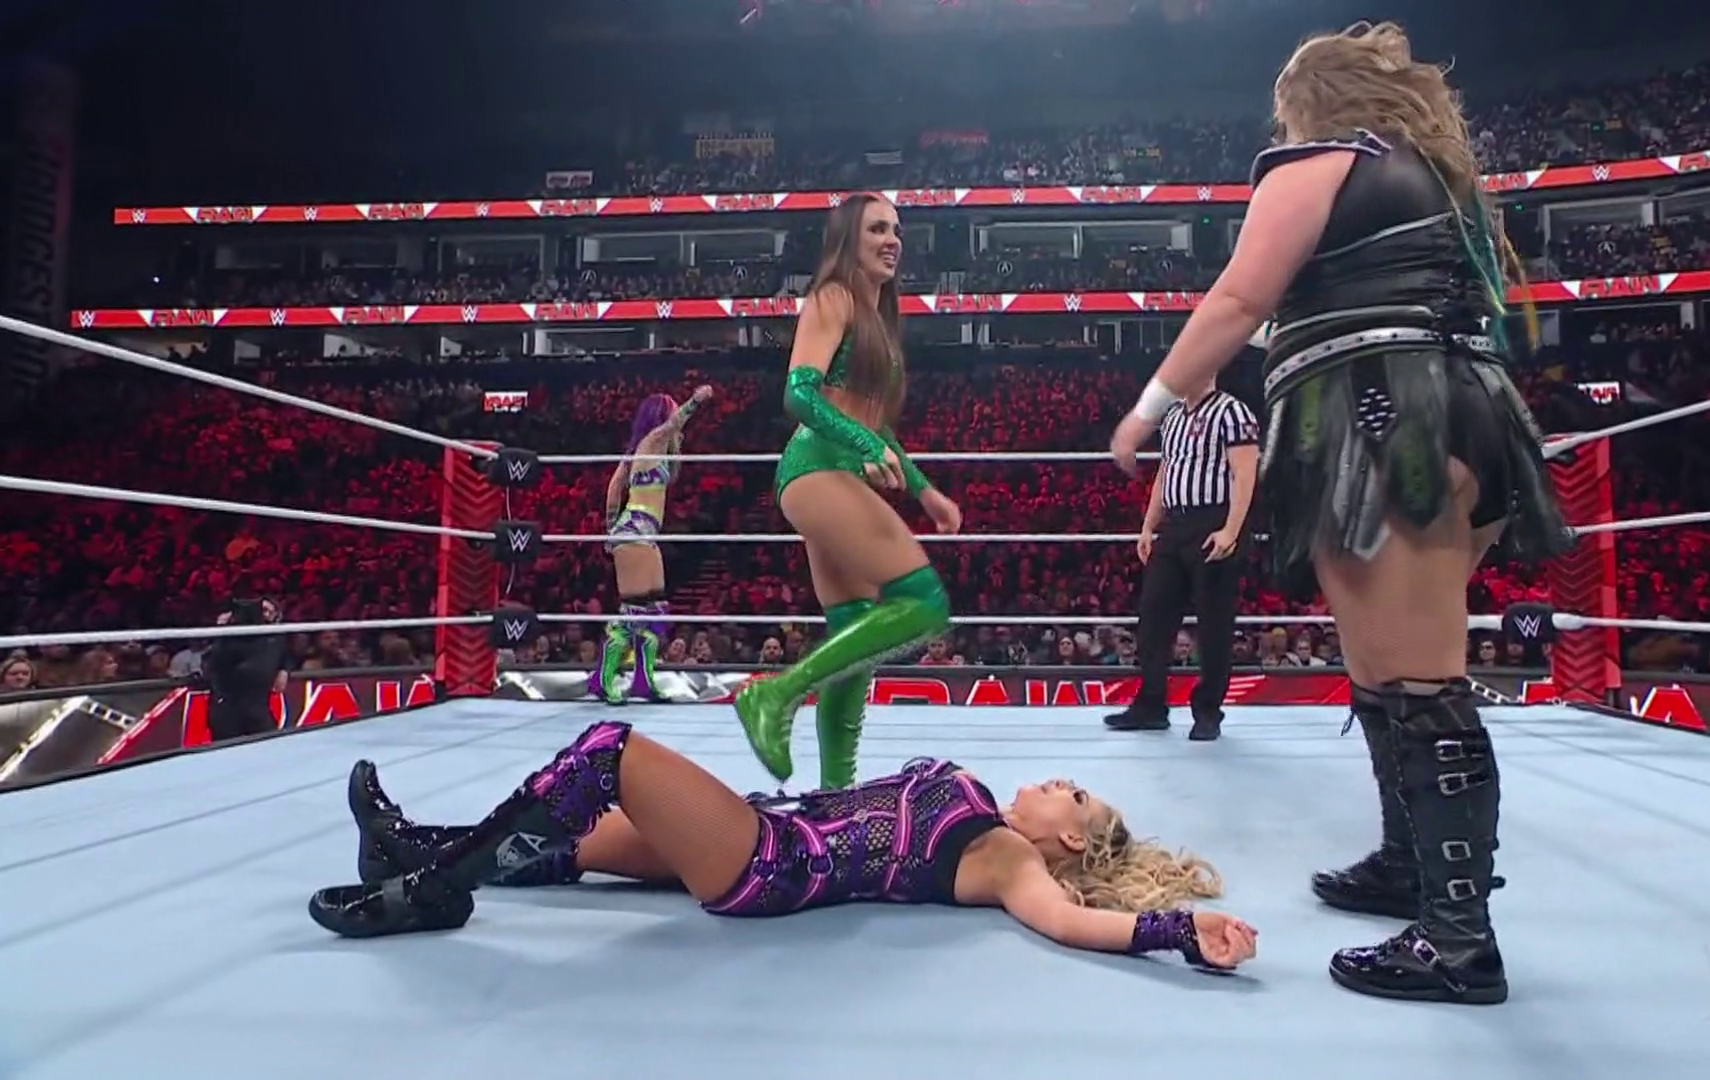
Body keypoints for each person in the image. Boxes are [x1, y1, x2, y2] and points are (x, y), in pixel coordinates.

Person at [1107, 22, 1573, 1006]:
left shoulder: (1325, 161)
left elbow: (1238, 299)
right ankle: (1409, 866)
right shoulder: (1438, 180)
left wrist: (1148, 408)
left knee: (1420, 678)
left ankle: (1459, 944)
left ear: (1308, 101)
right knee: (1383, 667)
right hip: (1459, 417)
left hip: (1384, 420)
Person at [306, 719, 1259, 974]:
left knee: (608, 752)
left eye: (1075, 795)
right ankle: (405, 850)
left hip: (772, 861)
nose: (1058, 782)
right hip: (770, 821)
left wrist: (1177, 932)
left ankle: (436, 891)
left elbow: (1063, 922)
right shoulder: (991, 815)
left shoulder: (1006, 857)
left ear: (1068, 839)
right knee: (582, 843)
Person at [732, 193, 964, 790]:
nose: (893, 240)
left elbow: (875, 424)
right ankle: (776, 694)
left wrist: (924, 491)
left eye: (897, 230)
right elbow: (799, 394)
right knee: (924, 602)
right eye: (877, 229)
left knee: (855, 633)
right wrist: (863, 444)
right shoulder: (833, 297)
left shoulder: (876, 318)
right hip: (816, 467)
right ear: (848, 241)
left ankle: (837, 794)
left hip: (834, 472)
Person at [1104, 376, 1259, 741]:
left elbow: (1245, 472)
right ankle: (1151, 705)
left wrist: (1231, 530)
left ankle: (1208, 711)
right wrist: (1148, 526)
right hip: (1175, 525)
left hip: (1214, 520)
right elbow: (1166, 472)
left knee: (1214, 623)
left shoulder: (1233, 412)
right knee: (1153, 615)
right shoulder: (1173, 416)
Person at [589, 384, 713, 704]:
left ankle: (644, 682)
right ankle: (602, 679)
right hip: (635, 530)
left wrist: (610, 529)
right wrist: (695, 401)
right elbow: (673, 425)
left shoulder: (639, 451)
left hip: (641, 532)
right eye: (670, 410)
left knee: (655, 610)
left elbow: (614, 487)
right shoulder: (652, 441)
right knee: (634, 610)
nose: (674, 417)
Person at [203, 596, 288, 742]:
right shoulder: (229, 638)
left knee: (271, 745)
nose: (264, 615)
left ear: (276, 615)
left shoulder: (276, 638)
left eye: (268, 611)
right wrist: (222, 631)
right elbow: (213, 664)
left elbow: (286, 655)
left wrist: (284, 669)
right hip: (228, 708)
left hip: (258, 707)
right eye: (261, 610)